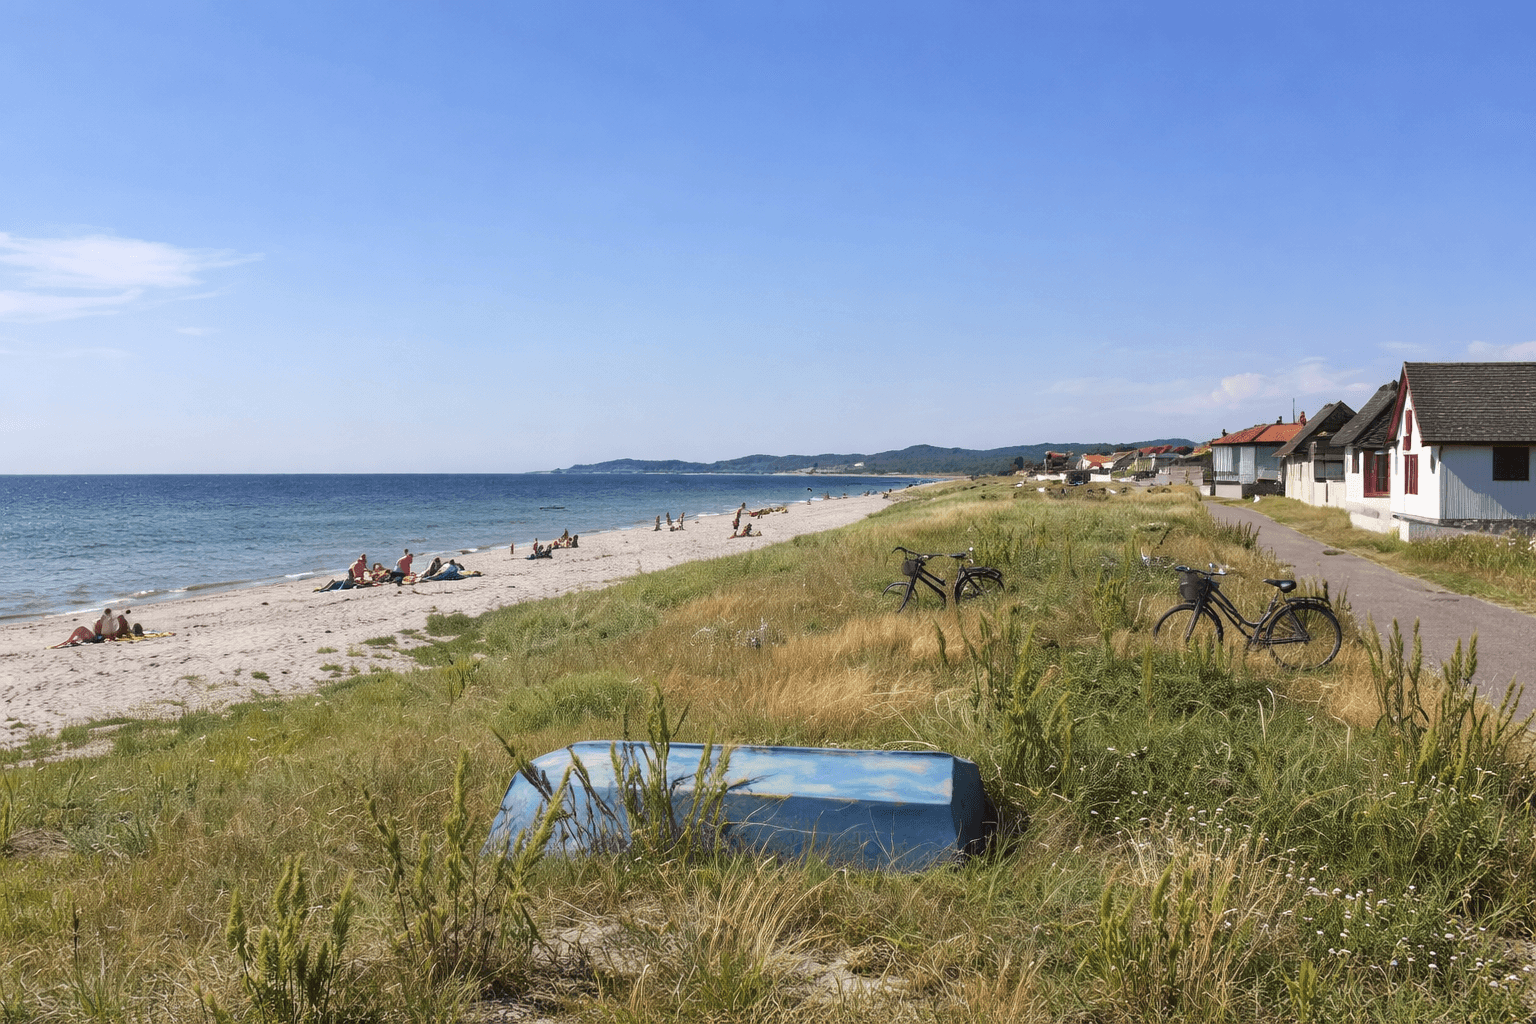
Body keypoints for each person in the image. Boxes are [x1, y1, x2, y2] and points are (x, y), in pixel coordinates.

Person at [52, 607, 126, 648]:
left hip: (96, 638)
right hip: (96, 637)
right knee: (81, 630)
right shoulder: (103, 623)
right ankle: (69, 641)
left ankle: (68, 641)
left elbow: (107, 635)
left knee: (81, 630)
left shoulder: (108, 625)